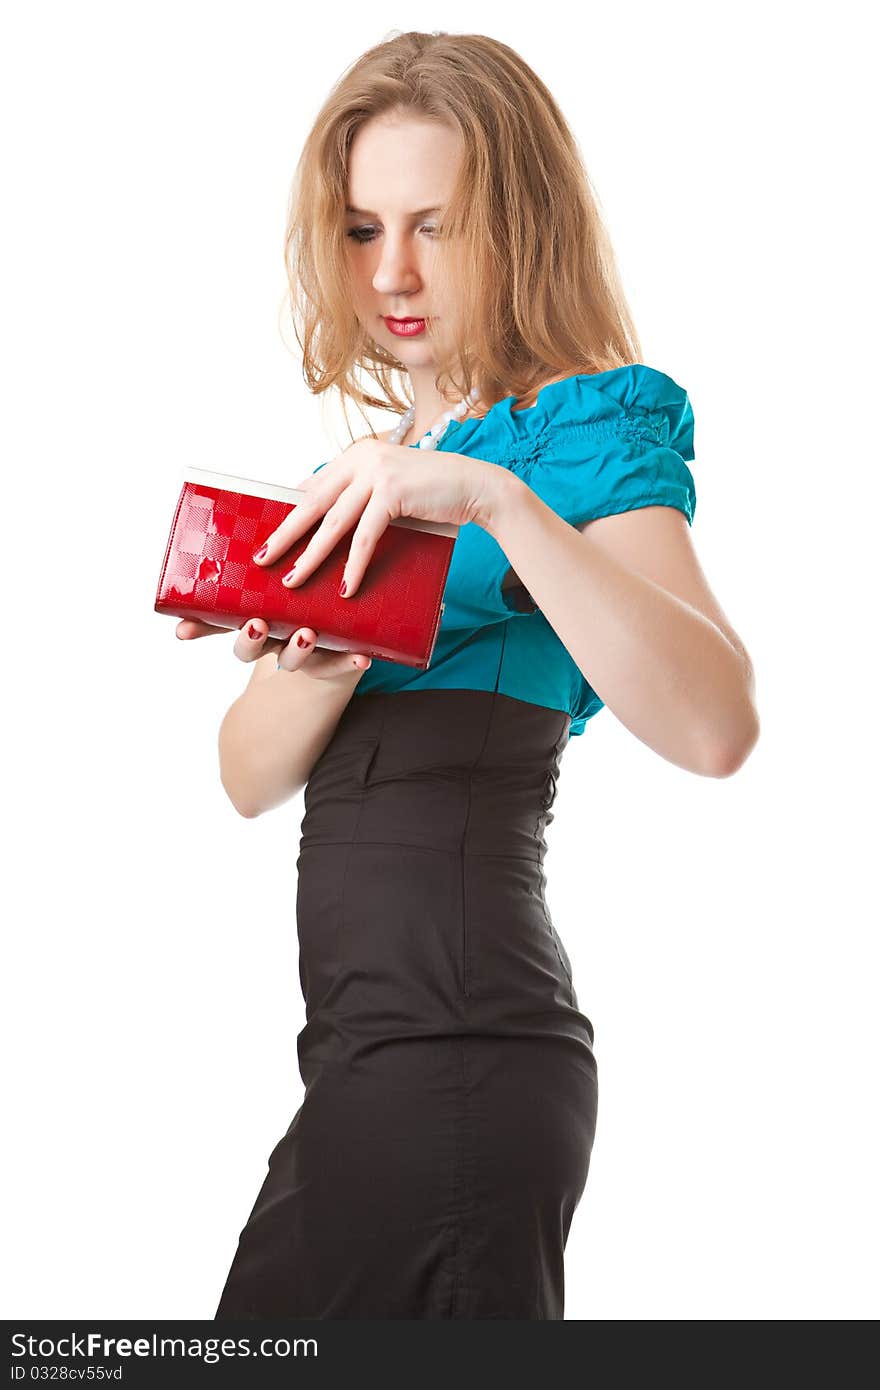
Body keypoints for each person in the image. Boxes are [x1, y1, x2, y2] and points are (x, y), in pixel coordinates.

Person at [177, 31, 759, 1319]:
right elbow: (245, 776)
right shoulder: (383, 460)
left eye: (436, 225)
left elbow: (718, 723)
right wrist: (324, 657)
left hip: (456, 1054)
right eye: (361, 228)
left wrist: (489, 498)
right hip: (361, 1055)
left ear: (521, 223)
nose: (392, 272)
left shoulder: (583, 426)